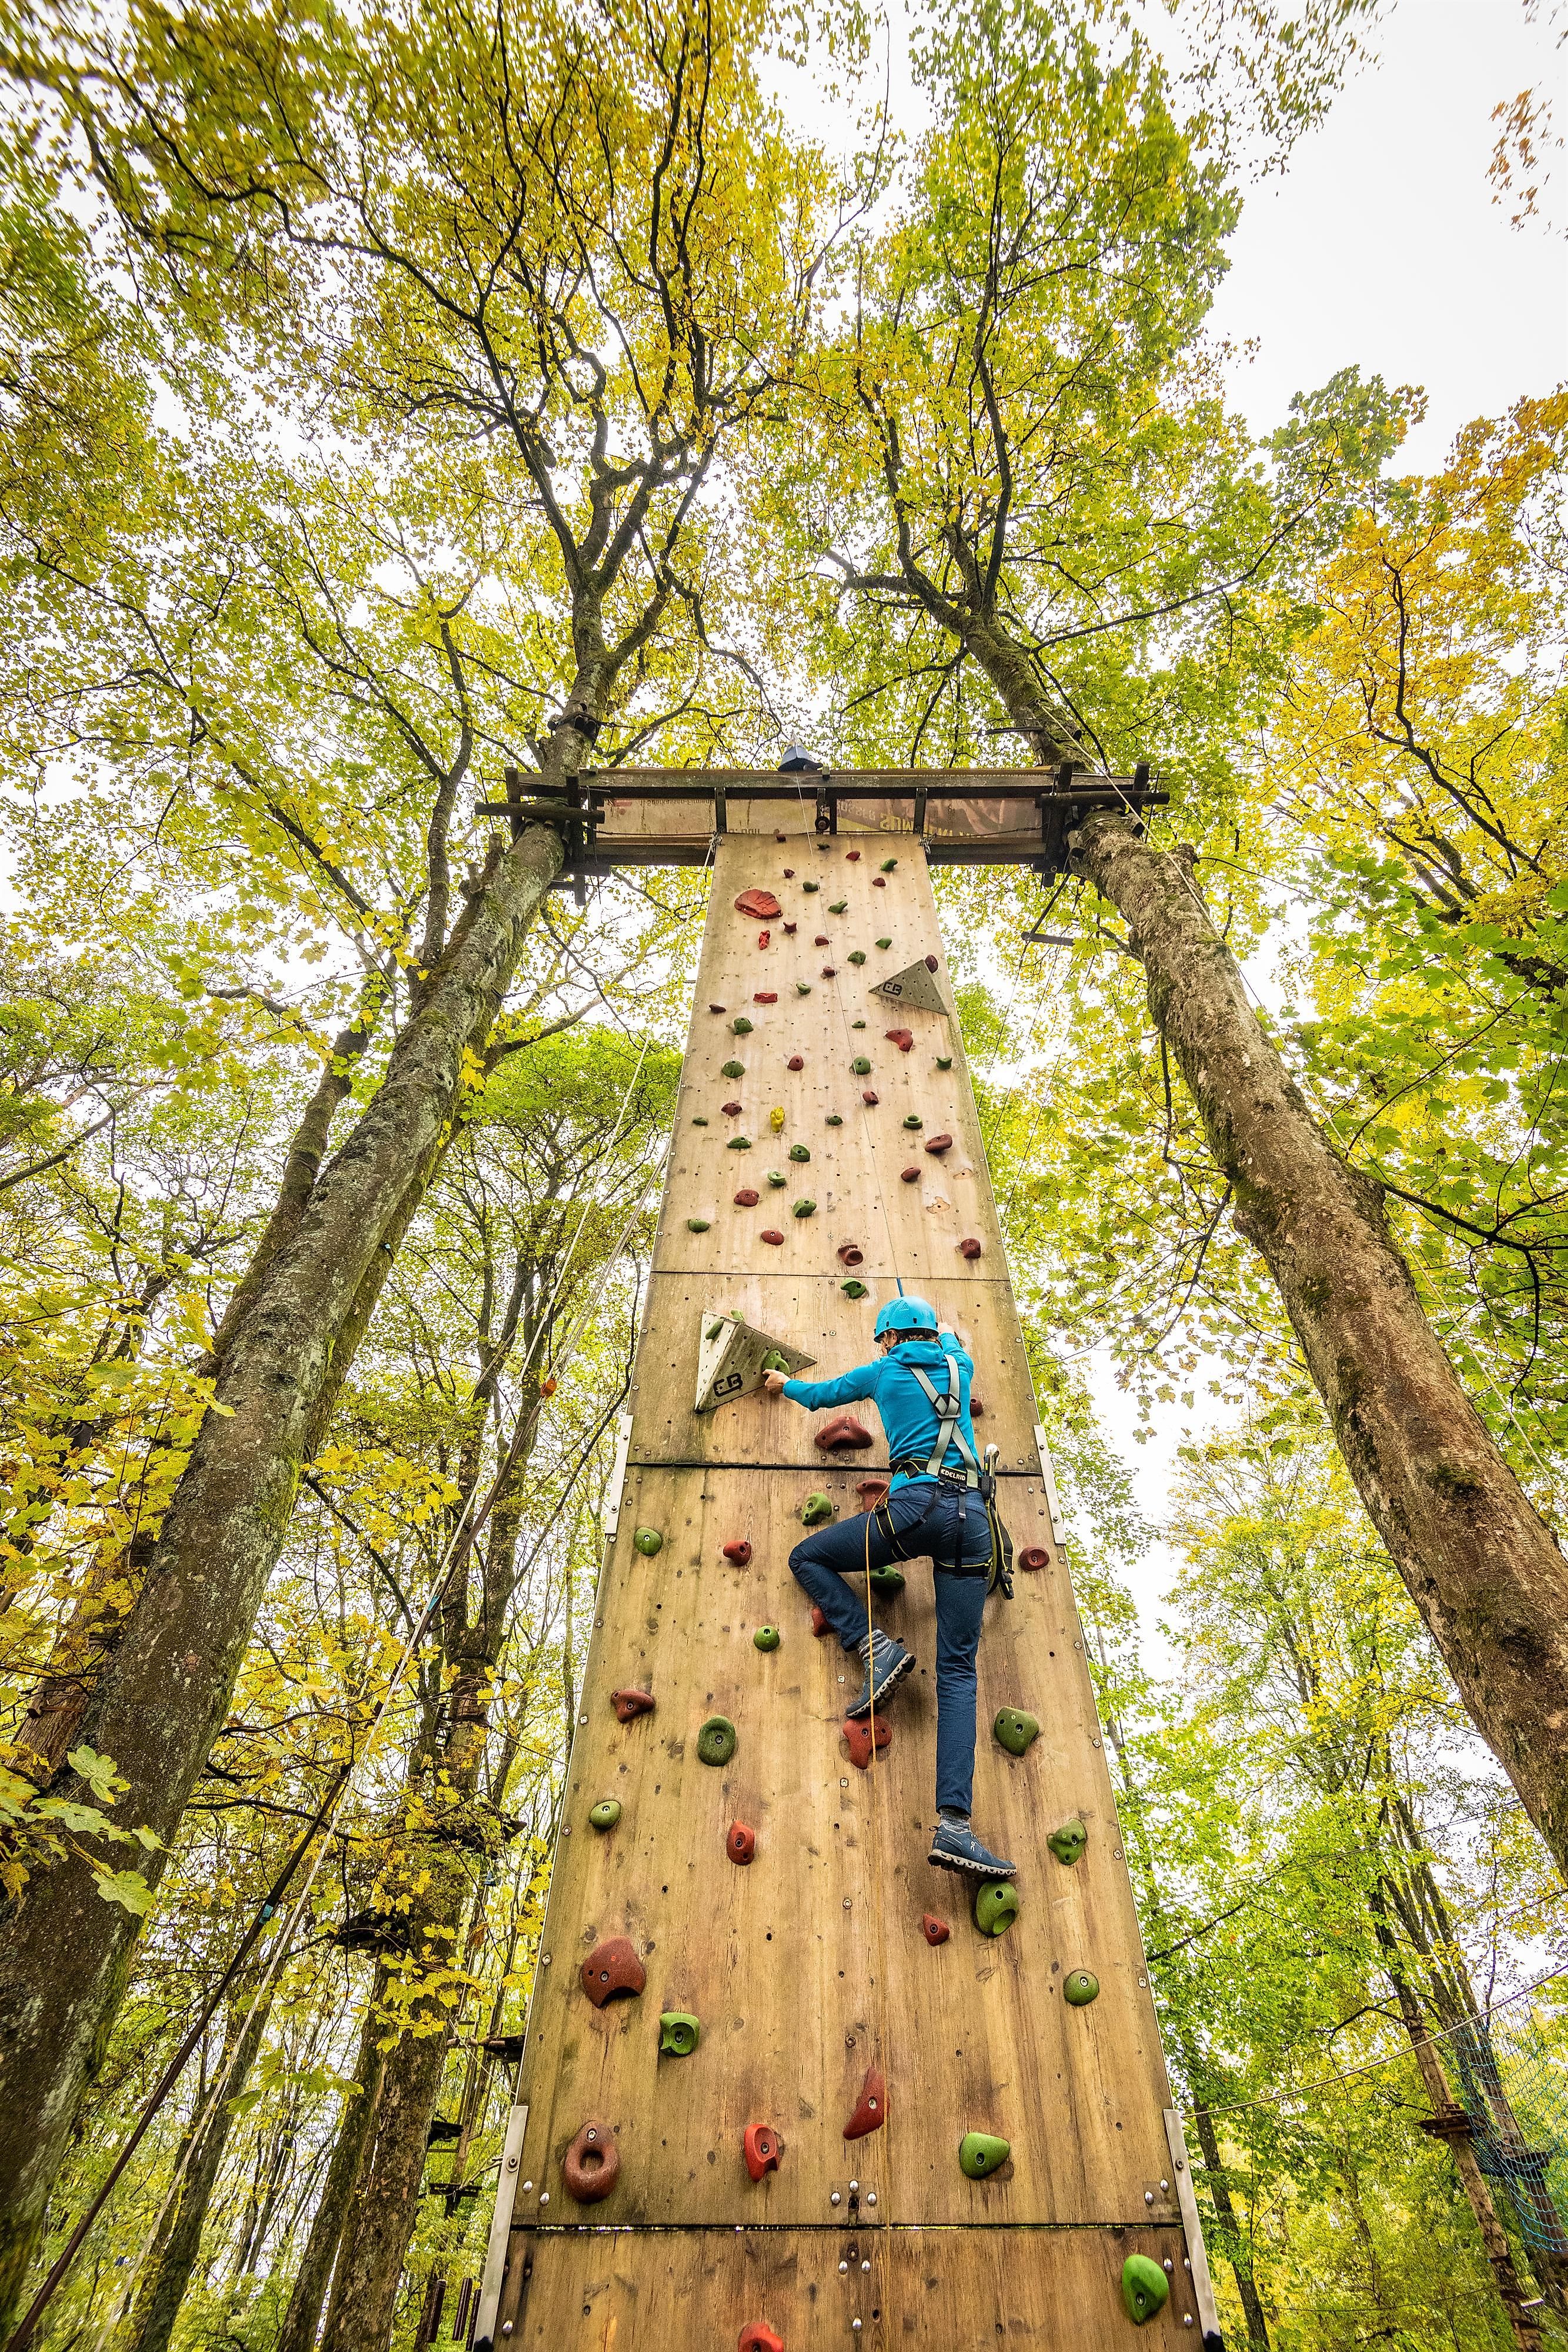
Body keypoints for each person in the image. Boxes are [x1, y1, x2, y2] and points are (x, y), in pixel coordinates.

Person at [763, 1295, 1016, 1882]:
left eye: (883, 1339)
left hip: (914, 1508)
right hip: (972, 1524)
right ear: (932, 1333)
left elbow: (822, 1394)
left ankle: (874, 1647)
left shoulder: (882, 1371)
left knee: (807, 1557)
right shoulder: (960, 1364)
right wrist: (947, 1334)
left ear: (890, 1339)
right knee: (958, 1672)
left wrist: (783, 1384)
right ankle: (955, 1825)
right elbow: (952, 1344)